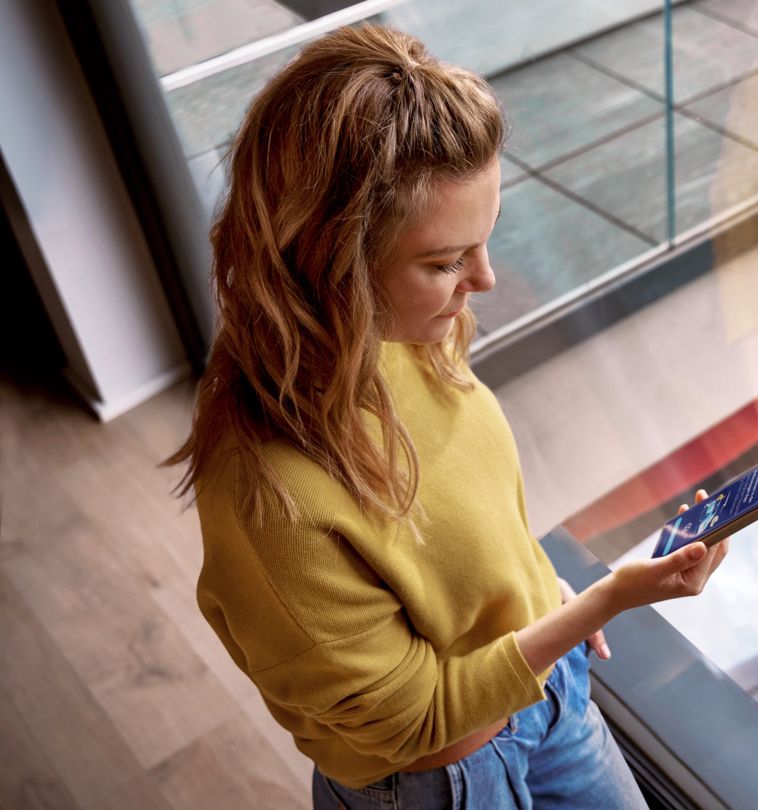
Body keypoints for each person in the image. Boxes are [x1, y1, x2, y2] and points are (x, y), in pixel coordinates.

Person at [166, 25, 728, 809]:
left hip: (544, 684)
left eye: (483, 242)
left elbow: (457, 515)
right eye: (444, 262)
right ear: (332, 262)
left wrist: (544, 596)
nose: (486, 281)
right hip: (443, 777)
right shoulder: (270, 499)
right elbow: (415, 720)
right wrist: (604, 603)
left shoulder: (408, 333)